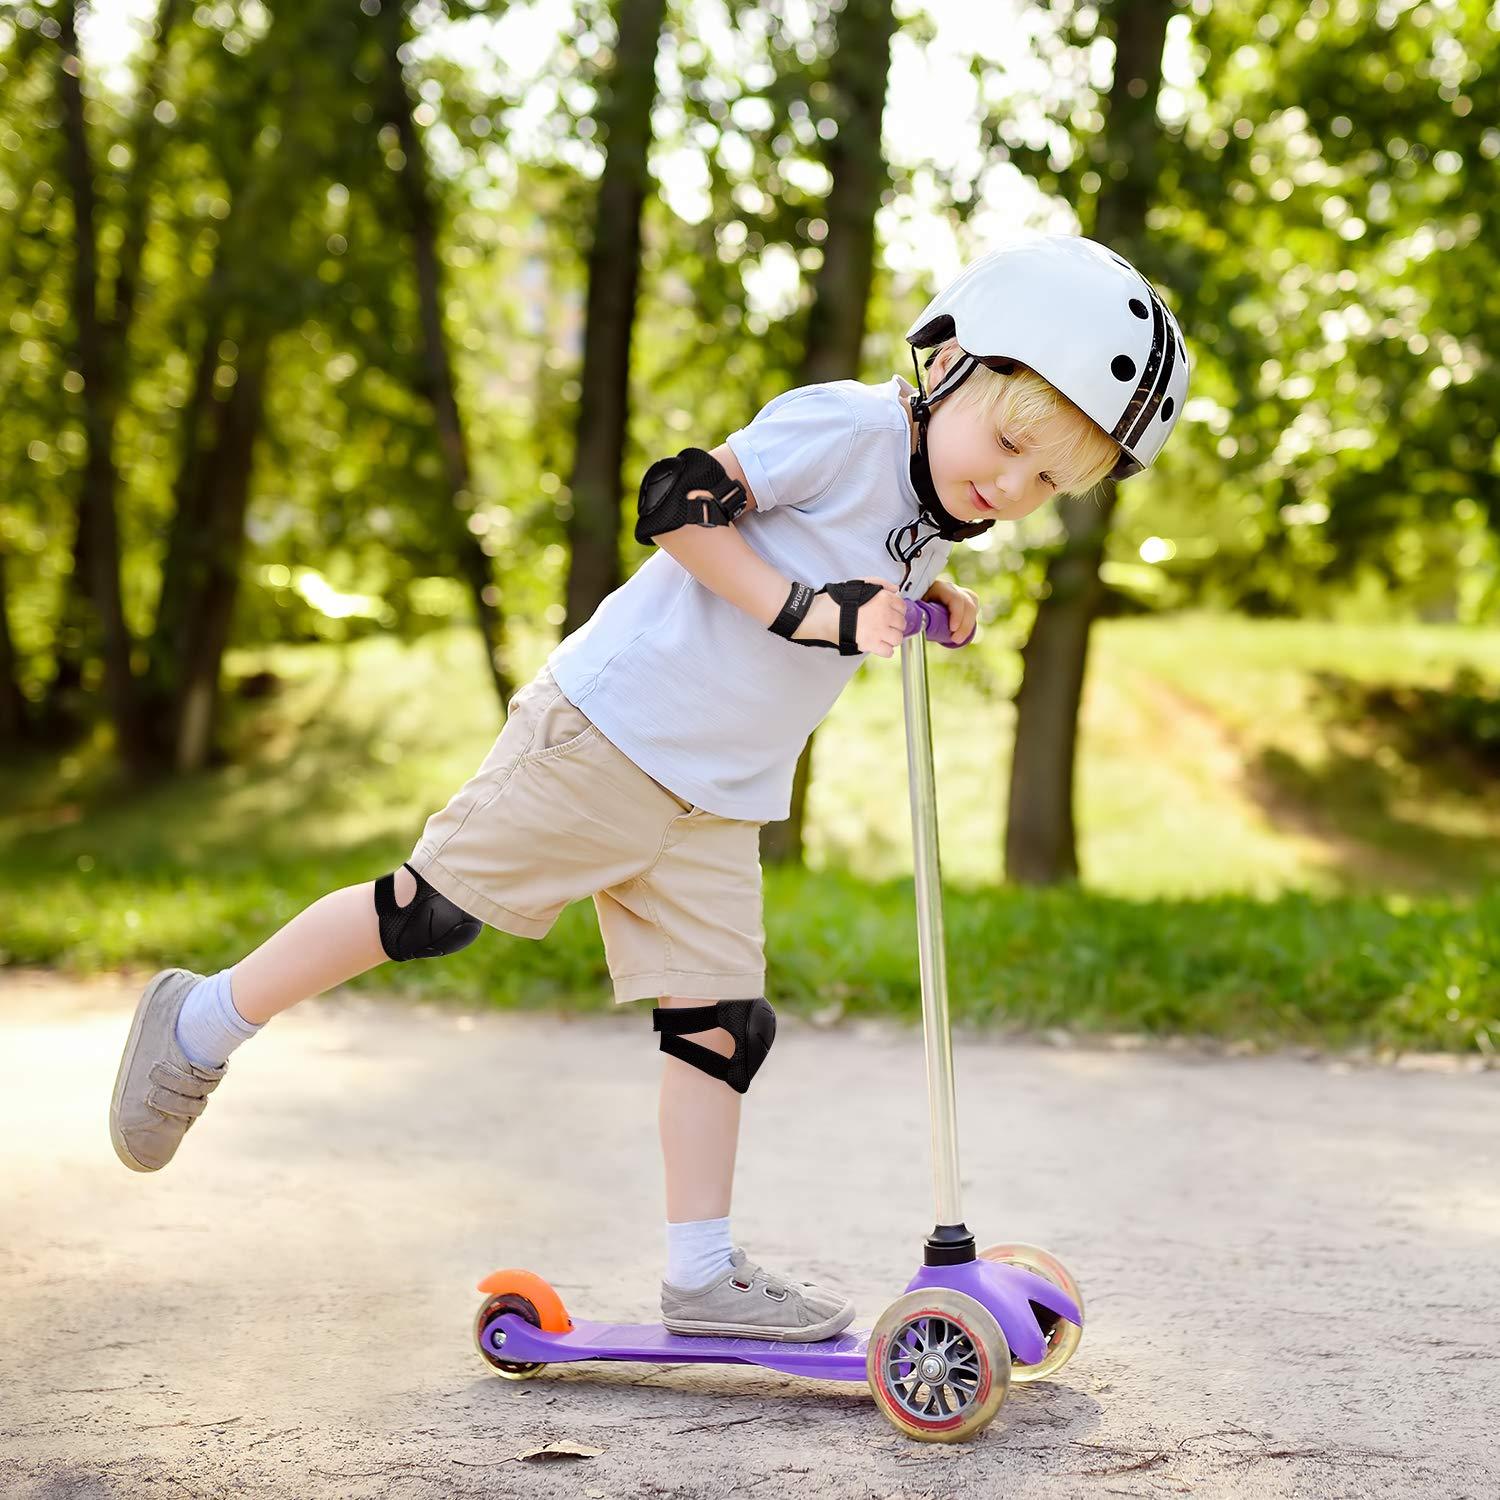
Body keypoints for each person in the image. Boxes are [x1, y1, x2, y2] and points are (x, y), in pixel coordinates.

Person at [109, 234, 1188, 1343]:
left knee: (720, 1026)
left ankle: (701, 1275)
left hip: (719, 798)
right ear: (951, 363)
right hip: (610, 735)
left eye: (1049, 480)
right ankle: (199, 1020)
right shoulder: (849, 426)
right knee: (425, 915)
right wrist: (818, 611)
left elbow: (862, 556)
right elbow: (677, 502)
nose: (1012, 486)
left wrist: (935, 595)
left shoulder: (935, 505)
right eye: (1011, 443)